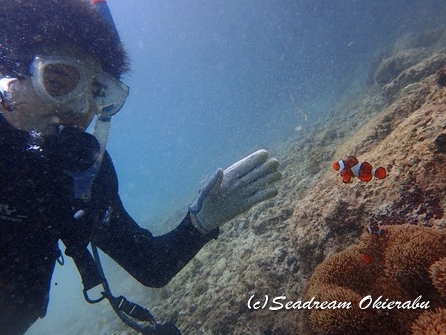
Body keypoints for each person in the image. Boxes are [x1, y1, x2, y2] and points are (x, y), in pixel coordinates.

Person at [0, 0, 281, 334]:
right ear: (10, 73)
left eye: (98, 92)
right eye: (59, 80)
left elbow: (151, 266)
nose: (80, 108)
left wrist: (201, 222)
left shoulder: (86, 179)